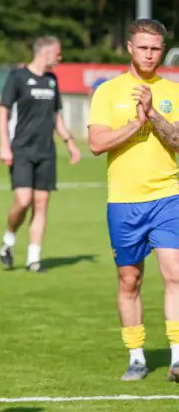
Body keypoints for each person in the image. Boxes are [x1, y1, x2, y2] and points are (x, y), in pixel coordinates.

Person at [87, 19, 179, 382]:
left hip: (168, 196)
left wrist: (153, 113)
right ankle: (137, 357)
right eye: (143, 47)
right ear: (129, 47)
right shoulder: (107, 92)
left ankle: (176, 357)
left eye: (155, 48)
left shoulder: (173, 91)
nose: (149, 54)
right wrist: (136, 124)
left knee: (175, 274)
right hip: (124, 202)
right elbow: (97, 144)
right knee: (130, 280)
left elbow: (176, 141)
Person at [0, 35, 80, 273]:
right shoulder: (17, 77)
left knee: (41, 203)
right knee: (23, 200)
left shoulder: (52, 80)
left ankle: (34, 258)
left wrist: (70, 143)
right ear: (45, 53)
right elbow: (3, 112)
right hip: (22, 149)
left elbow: (57, 117)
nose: (60, 58)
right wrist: (5, 145)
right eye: (58, 53)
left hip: (46, 151)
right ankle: (9, 240)